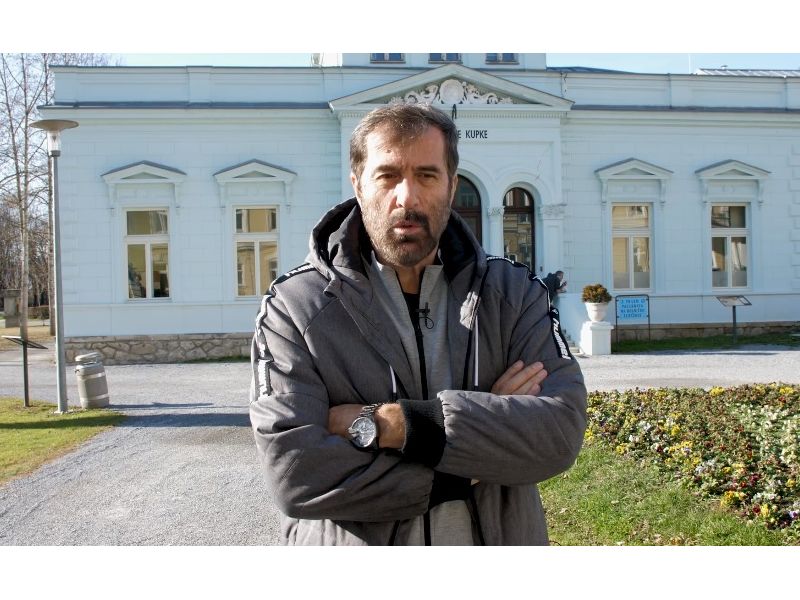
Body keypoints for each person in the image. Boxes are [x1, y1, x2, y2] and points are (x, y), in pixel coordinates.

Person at [249, 104, 587, 545]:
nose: (406, 197)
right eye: (387, 176)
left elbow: (558, 433)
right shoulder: (296, 307)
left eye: (427, 175)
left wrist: (392, 424)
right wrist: (476, 449)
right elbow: (294, 472)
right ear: (358, 184)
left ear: (451, 186)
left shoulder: (514, 294)